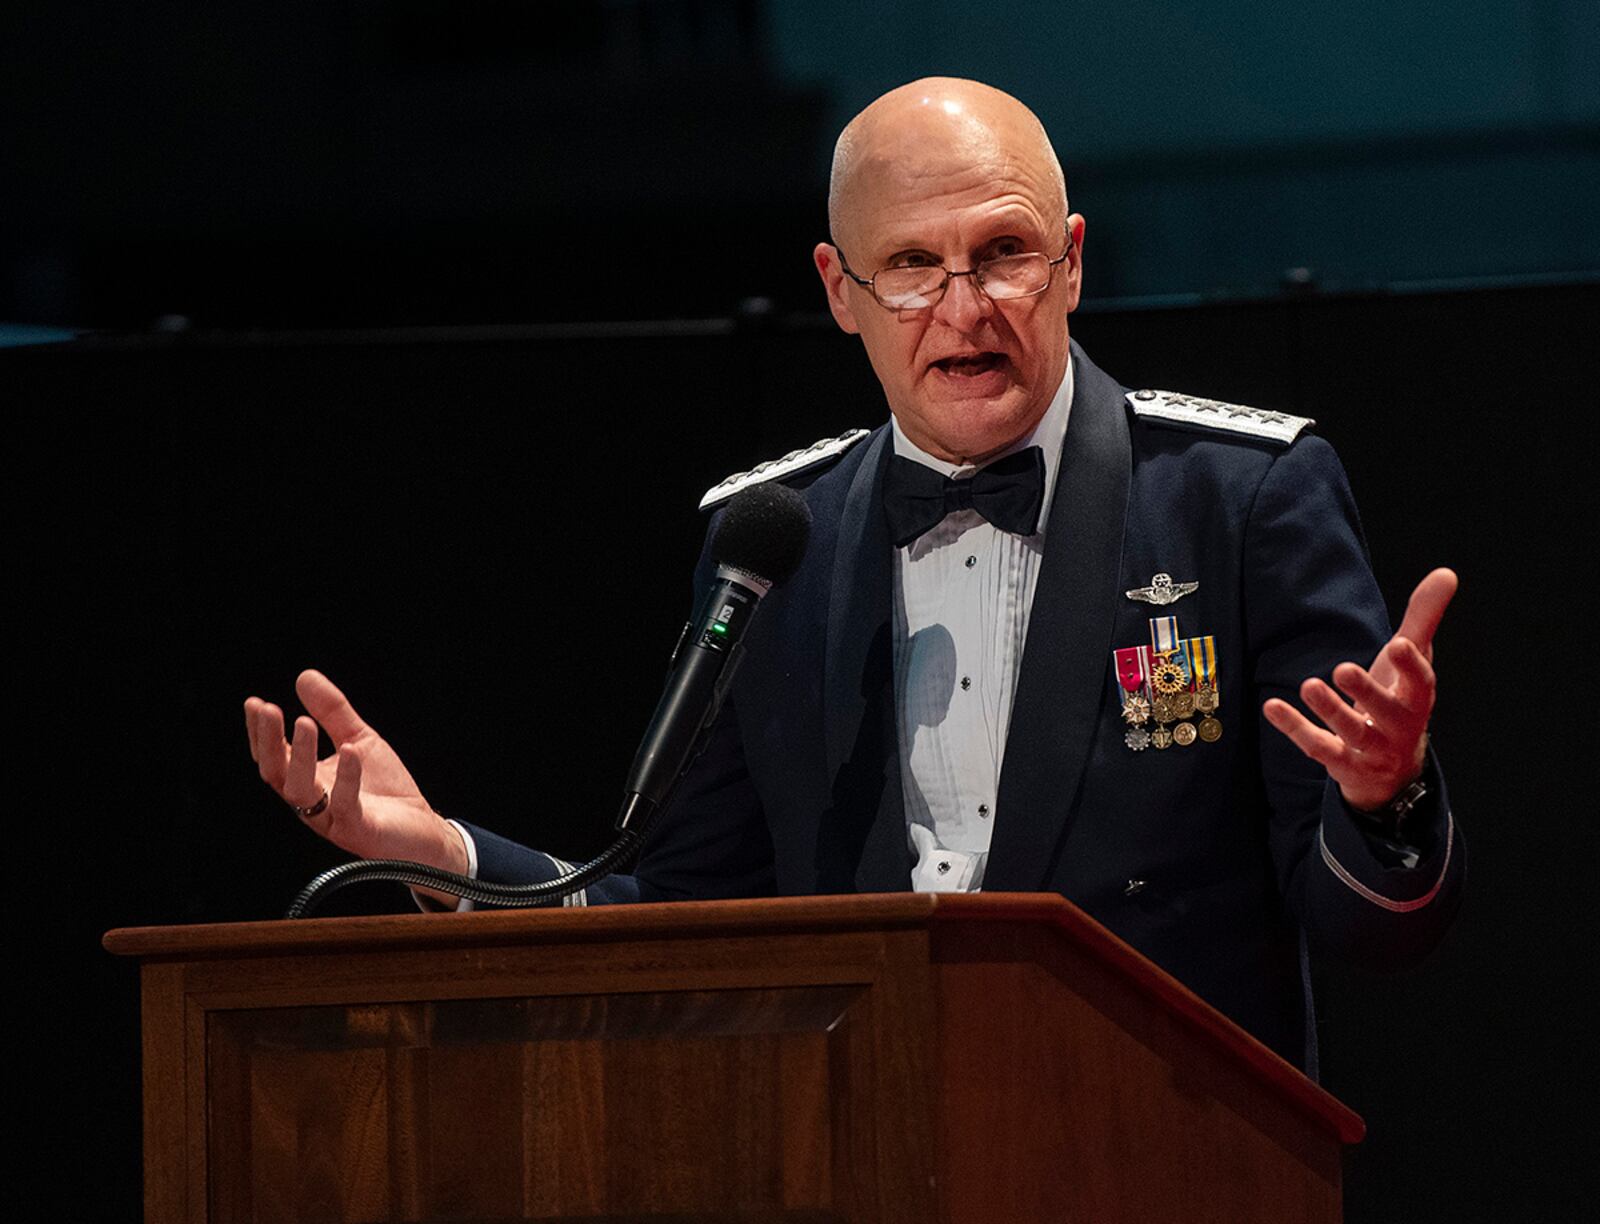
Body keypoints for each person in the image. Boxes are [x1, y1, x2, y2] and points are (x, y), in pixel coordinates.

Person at [244, 78, 1461, 1072]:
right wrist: (441, 855)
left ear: (1073, 262)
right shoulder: (775, 537)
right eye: (914, 266)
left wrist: (1380, 801)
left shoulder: (1240, 495)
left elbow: (1371, 929)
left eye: (1004, 253)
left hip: (1157, 1151)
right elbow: (684, 911)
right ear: (841, 292)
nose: (964, 306)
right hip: (858, 1143)